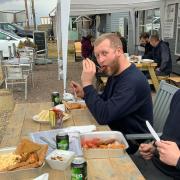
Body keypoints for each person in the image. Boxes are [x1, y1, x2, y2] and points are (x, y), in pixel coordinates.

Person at [71, 33, 153, 154]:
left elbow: (104, 116)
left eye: (104, 53)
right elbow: (105, 100)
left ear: (119, 51)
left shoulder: (132, 81)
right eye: (97, 56)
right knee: (72, 138)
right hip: (113, 131)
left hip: (131, 143)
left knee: (76, 149)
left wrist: (87, 84)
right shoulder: (115, 73)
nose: (100, 60)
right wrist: (85, 94)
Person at [133, 89, 180, 179]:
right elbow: (172, 136)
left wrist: (178, 160)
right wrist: (155, 148)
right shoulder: (178, 95)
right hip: (155, 163)